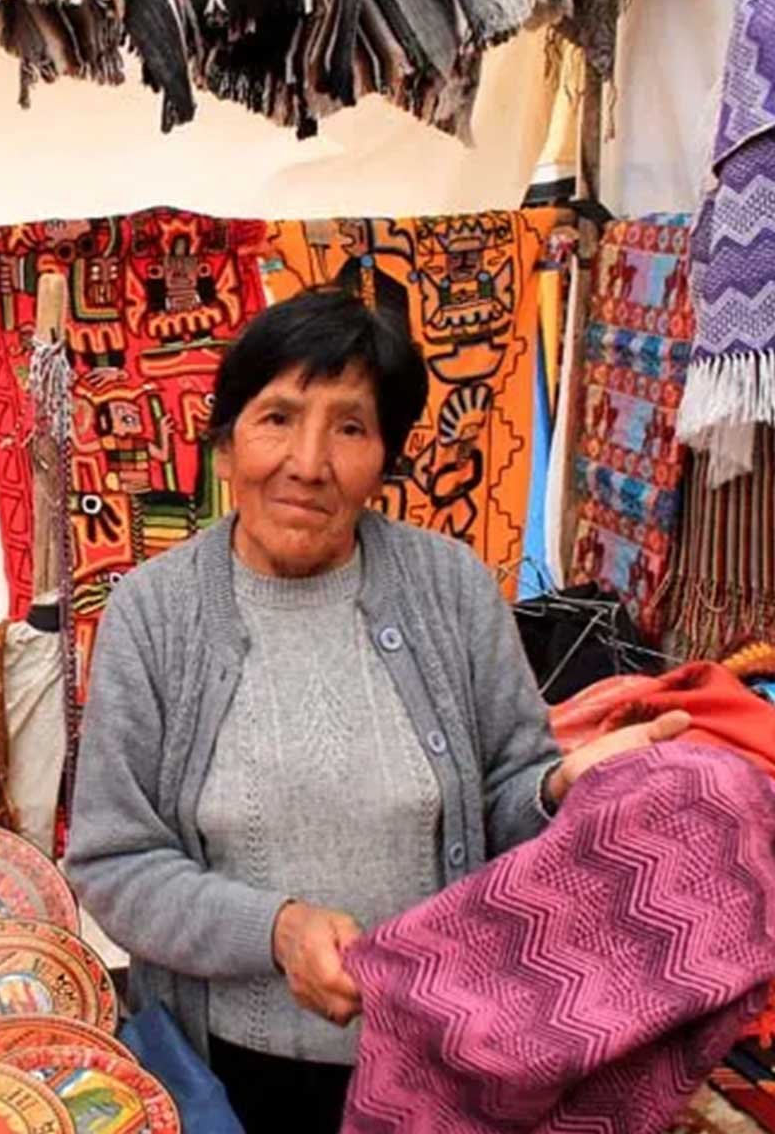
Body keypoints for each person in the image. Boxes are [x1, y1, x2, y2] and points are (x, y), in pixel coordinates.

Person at [62, 287, 687, 1134]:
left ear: (386, 455)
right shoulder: (154, 613)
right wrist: (277, 932)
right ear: (225, 442)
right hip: (237, 1077)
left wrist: (559, 787)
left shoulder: (451, 586)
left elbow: (509, 794)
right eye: (277, 417)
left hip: (443, 1055)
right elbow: (113, 862)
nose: (309, 462)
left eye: (350, 428)